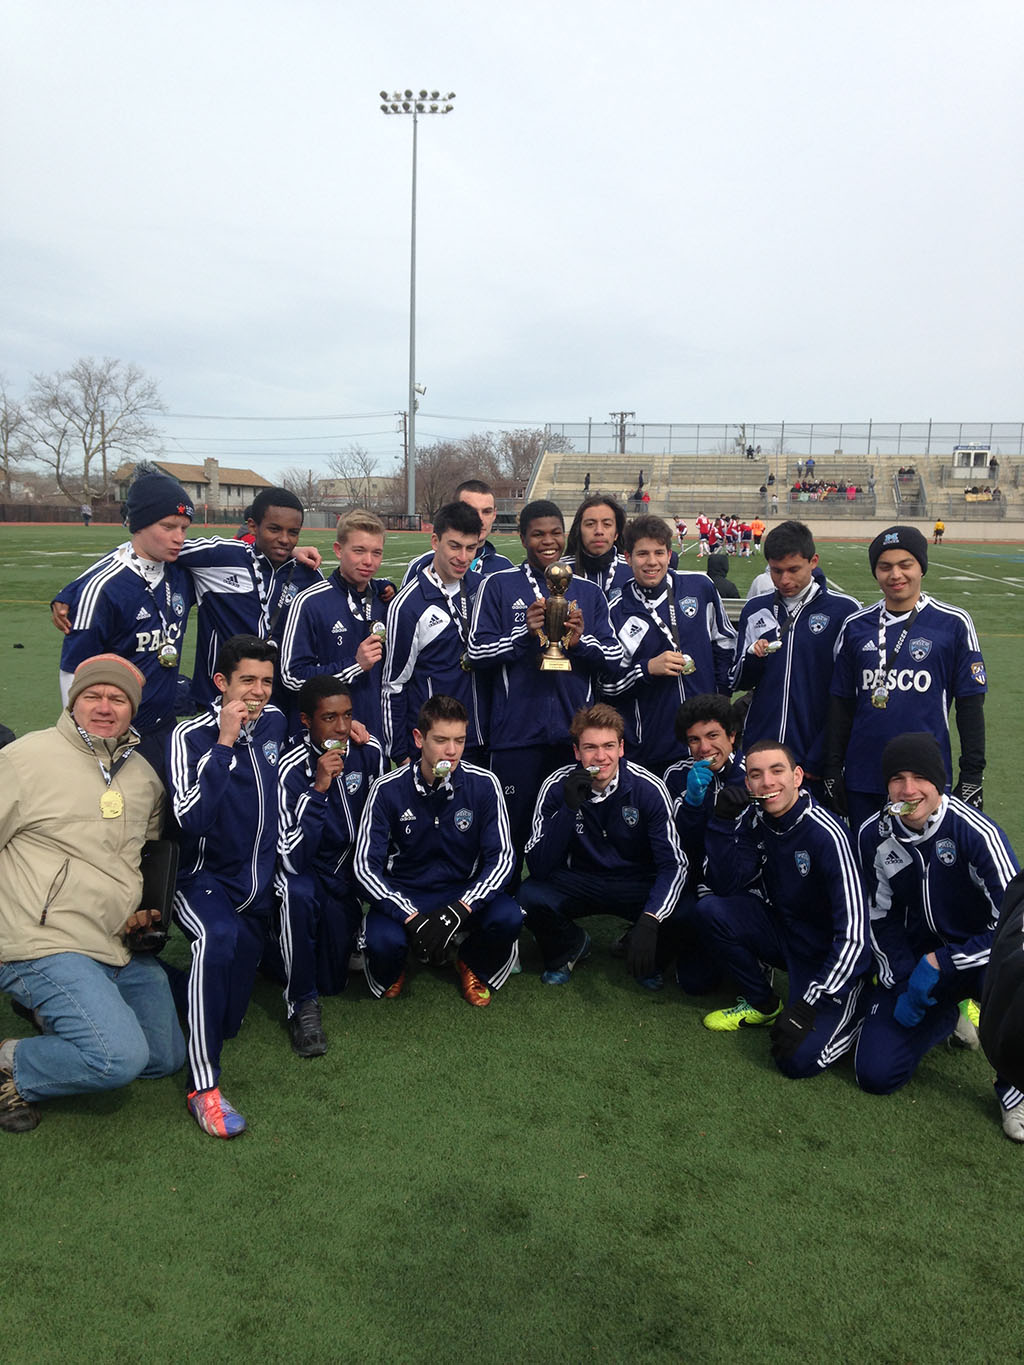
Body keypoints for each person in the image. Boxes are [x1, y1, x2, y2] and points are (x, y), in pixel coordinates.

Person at [0, 655, 185, 1134]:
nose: (105, 707)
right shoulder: (23, 758)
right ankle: (10, 1062)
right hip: (45, 940)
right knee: (116, 1060)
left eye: (118, 698)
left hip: (116, 943)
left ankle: (63, 1019)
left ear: (132, 709)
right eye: (93, 696)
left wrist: (146, 912)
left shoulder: (143, 775)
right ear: (73, 699)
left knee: (161, 1057)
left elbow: (140, 860)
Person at [854, 733, 1022, 1140]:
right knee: (874, 1073)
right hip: (917, 960)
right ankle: (946, 1017)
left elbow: (1014, 927)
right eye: (897, 778)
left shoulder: (975, 832)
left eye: (919, 778)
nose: (908, 790)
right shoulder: (873, 835)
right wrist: (905, 975)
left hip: (983, 957)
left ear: (940, 782)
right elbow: (879, 917)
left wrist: (944, 963)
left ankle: (1015, 1087)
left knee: (1020, 979)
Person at [167, 635, 288, 1138]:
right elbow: (191, 819)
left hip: (253, 887)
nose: (258, 692)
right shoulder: (189, 736)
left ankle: (149, 979)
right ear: (221, 683)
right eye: (247, 681)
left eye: (266, 681)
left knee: (228, 1020)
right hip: (202, 882)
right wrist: (224, 741)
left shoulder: (278, 722)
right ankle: (204, 1088)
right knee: (214, 942)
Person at [698, 740, 870, 1079]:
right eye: (756, 775)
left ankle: (858, 1011)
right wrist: (721, 822)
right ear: (747, 784)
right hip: (784, 933)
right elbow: (726, 885)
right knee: (711, 910)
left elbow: (855, 936)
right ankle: (763, 1003)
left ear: (798, 777)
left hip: (827, 955)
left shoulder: (828, 835)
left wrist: (807, 1007)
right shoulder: (753, 818)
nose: (767, 783)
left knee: (794, 1061)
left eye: (777, 771)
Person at [466, 499, 623, 856]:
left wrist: (582, 642)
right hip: (516, 734)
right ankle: (507, 901)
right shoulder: (498, 586)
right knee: (510, 831)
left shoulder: (588, 592)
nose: (548, 541)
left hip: (573, 735)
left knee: (572, 828)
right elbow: (476, 653)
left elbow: (614, 658)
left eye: (555, 533)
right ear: (522, 538)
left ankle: (556, 902)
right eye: (538, 534)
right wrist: (524, 636)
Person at [354, 695, 521, 1006]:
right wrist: (410, 916)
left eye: (459, 740)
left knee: (509, 917)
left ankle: (470, 961)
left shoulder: (485, 784)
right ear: (419, 739)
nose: (452, 750)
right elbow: (365, 867)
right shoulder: (386, 789)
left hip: (461, 892)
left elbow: (503, 859)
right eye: (441, 740)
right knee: (382, 944)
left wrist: (461, 908)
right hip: (406, 891)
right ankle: (399, 962)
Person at [825, 526, 987, 832]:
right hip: (863, 775)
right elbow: (841, 704)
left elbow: (970, 706)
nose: (895, 575)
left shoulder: (953, 623)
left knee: (928, 868)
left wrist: (972, 775)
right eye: (885, 567)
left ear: (921, 567)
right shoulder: (855, 626)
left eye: (905, 565)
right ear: (875, 572)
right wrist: (833, 768)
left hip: (925, 778)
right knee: (867, 864)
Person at [518, 704, 686, 990]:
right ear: (576, 752)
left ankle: (641, 945)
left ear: (621, 748)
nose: (600, 756)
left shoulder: (649, 788)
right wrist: (569, 809)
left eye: (609, 746)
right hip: (579, 880)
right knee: (529, 896)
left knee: (685, 909)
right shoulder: (556, 785)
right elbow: (538, 866)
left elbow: (673, 865)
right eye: (590, 747)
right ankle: (570, 945)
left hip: (633, 881)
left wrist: (651, 918)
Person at [54, 469, 197, 771]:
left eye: (184, 528)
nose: (178, 537)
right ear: (139, 524)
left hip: (165, 724)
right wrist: (88, 739)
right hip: (118, 734)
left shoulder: (180, 571)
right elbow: (72, 671)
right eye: (168, 526)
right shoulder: (105, 588)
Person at [275, 676, 385, 1057]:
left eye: (348, 715)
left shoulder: (369, 751)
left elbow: (380, 825)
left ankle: (350, 934)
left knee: (335, 982)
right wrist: (319, 789)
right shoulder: (291, 769)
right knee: (296, 891)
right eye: (329, 718)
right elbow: (291, 857)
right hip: (310, 872)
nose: (340, 727)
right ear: (306, 721)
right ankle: (301, 1004)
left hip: (351, 874)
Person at [730, 521, 859, 794]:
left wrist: (824, 751)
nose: (785, 580)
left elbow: (850, 692)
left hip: (815, 751)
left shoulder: (844, 611)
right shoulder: (755, 608)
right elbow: (737, 679)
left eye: (793, 570)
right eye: (776, 571)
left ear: (813, 562)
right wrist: (754, 657)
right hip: (762, 745)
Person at [603, 515, 735, 774]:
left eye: (659, 552)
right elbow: (606, 685)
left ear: (669, 553)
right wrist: (647, 669)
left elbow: (725, 644)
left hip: (705, 743)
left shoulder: (699, 587)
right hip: (652, 746)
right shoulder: (617, 611)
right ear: (627, 558)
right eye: (642, 554)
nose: (652, 562)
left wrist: (720, 700)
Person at [382, 500, 488, 765]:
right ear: (434, 541)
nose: (463, 557)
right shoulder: (407, 605)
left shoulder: (483, 590)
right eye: (454, 546)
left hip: (481, 738)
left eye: (470, 548)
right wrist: (400, 751)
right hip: (433, 744)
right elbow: (393, 684)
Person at [662, 694, 750, 994]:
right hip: (693, 881)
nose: (704, 748)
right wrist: (692, 803)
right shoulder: (677, 775)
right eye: (694, 740)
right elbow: (677, 843)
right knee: (694, 983)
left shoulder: (754, 775)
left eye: (713, 736)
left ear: (732, 735)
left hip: (739, 885)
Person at [280, 509, 390, 739]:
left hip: (375, 736)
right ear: (338, 550)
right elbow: (291, 677)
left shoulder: (385, 600)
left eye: (376, 553)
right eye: (359, 551)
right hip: (327, 738)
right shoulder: (309, 602)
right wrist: (354, 665)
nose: (368, 561)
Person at [401, 480, 513, 585]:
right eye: (471, 511)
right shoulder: (420, 566)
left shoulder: (505, 568)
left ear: (494, 514)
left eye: (486, 512)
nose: (480, 519)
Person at [562, 494, 632, 600]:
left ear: (616, 533)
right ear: (579, 531)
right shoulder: (561, 570)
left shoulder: (633, 569)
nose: (599, 531)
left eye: (607, 524)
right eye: (590, 524)